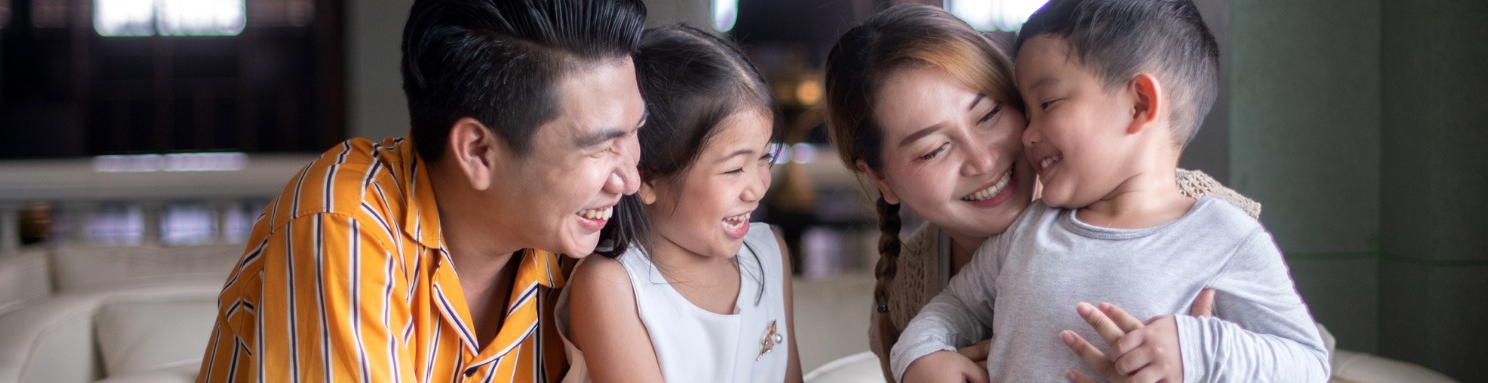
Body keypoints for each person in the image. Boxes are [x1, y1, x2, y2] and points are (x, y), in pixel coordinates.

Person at [195, 0, 647, 381]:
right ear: (477, 152)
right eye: (600, 148)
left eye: (634, 133)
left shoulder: (579, 246)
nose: (629, 178)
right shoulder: (344, 221)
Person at [889, 0, 1329, 382]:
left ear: (1139, 104)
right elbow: (954, 307)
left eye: (1046, 105)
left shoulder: (1226, 238)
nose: (1027, 134)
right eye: (1026, 110)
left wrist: (1199, 352)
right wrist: (922, 354)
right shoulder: (1028, 230)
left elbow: (1309, 363)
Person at [555, 24, 802, 383]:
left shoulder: (769, 254)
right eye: (734, 169)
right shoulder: (612, 285)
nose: (758, 187)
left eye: (765, 158)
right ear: (647, 178)